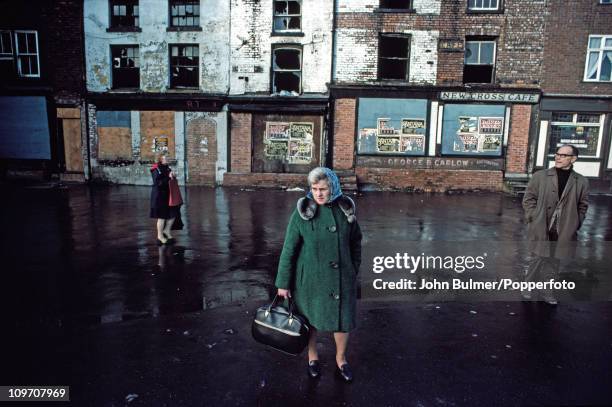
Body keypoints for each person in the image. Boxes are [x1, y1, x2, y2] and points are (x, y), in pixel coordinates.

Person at [275, 167, 363, 382]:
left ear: (333, 188)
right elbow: (289, 249)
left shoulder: (345, 210)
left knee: (342, 321)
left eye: (323, 189)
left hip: (341, 278)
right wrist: (283, 284)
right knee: (310, 320)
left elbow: (356, 242)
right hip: (311, 280)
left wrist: (352, 268)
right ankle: (312, 357)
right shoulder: (303, 212)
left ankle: (341, 359)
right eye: (314, 189)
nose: (318, 193)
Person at [522, 144, 589, 305]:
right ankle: (528, 286)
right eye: (557, 154)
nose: (558, 157)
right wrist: (533, 216)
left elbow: (583, 205)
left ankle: (547, 292)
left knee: (554, 260)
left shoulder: (581, 180)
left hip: (564, 228)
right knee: (537, 258)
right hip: (542, 225)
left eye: (563, 155)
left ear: (573, 159)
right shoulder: (541, 176)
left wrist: (576, 223)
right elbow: (528, 199)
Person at [150, 154, 179, 245]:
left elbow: (169, 180)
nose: (168, 159)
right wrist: (168, 177)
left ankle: (166, 231)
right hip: (159, 196)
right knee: (162, 217)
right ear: (160, 159)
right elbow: (158, 183)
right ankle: (160, 236)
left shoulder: (167, 168)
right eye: (166, 158)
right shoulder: (156, 169)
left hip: (168, 195)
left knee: (173, 213)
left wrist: (173, 176)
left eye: (168, 157)